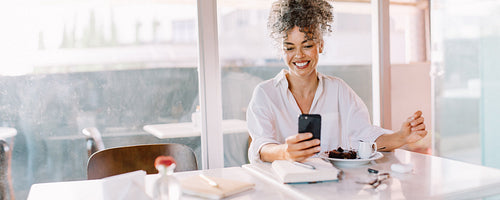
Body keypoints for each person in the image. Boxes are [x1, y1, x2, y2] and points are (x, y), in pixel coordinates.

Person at [246, 0, 427, 163]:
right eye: (290, 47)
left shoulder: (338, 89)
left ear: (321, 45)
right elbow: (261, 146)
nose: (299, 55)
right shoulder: (265, 93)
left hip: (333, 187)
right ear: (282, 50)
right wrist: (285, 152)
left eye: (307, 45)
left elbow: (365, 136)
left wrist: (401, 137)